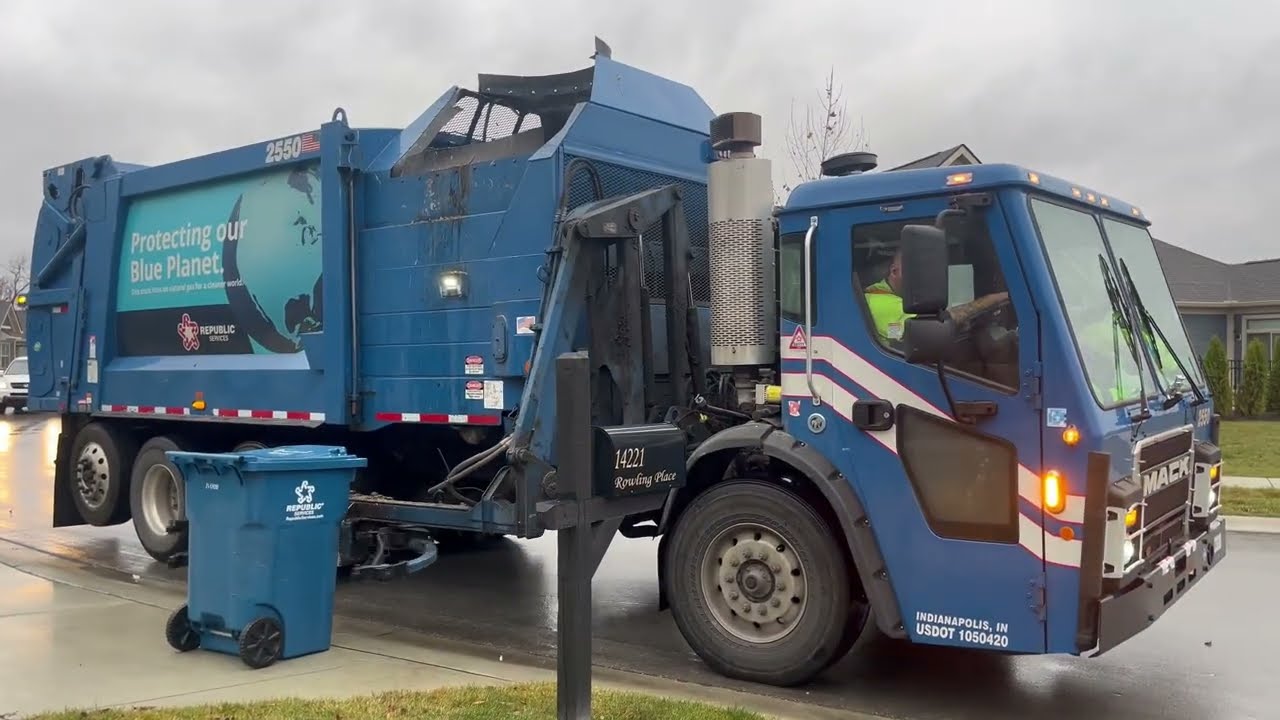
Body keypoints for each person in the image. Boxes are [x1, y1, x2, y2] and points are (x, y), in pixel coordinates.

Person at [862, 248, 1009, 345]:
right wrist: (991, 300)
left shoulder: (901, 298)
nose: (925, 280)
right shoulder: (881, 302)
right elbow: (935, 325)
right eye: (918, 273)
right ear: (895, 272)